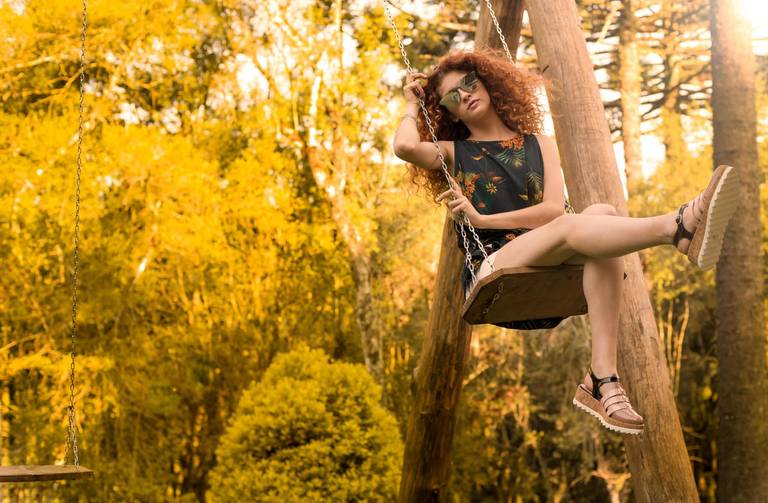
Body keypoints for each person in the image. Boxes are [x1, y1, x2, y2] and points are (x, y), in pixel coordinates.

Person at [391, 48, 739, 435]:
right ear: (450, 112)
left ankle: (602, 379)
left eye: (469, 83)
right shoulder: (455, 154)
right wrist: (411, 104)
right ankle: (677, 227)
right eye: (453, 96)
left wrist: (485, 216)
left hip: (547, 258)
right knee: (576, 225)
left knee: (602, 214)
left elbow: (553, 210)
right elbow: (404, 147)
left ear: (487, 82)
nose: (466, 94)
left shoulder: (540, 143)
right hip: (492, 269)